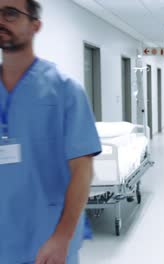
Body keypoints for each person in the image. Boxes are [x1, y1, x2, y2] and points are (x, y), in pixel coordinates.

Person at [0, 0, 101, 263]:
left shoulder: (65, 90)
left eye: (10, 13)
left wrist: (62, 237)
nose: (1, 20)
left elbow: (82, 170)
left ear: (36, 25)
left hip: (48, 242)